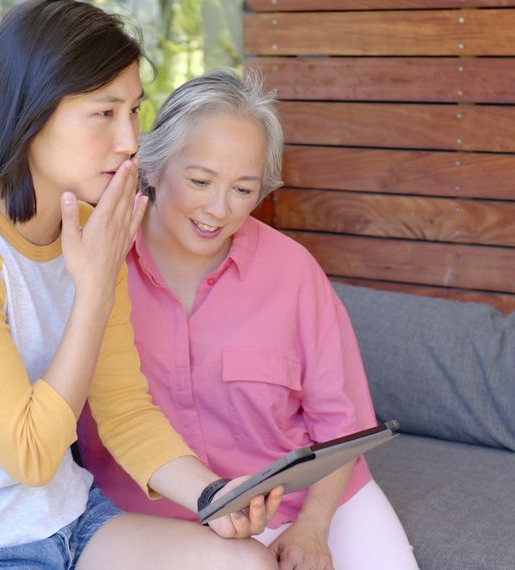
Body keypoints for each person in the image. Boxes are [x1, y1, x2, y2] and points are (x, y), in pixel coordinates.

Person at [0, 2, 282, 568]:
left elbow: (124, 409)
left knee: (245, 560)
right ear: (32, 115)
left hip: (68, 521)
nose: (131, 140)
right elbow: (29, 454)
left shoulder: (87, 232)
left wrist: (213, 497)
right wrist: (96, 287)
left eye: (134, 110)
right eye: (104, 113)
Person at [77, 70, 419, 569]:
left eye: (243, 189)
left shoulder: (293, 270)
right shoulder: (98, 252)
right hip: (154, 516)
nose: (219, 209)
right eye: (200, 181)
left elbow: (341, 425)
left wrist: (312, 529)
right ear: (153, 165)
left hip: (305, 499)